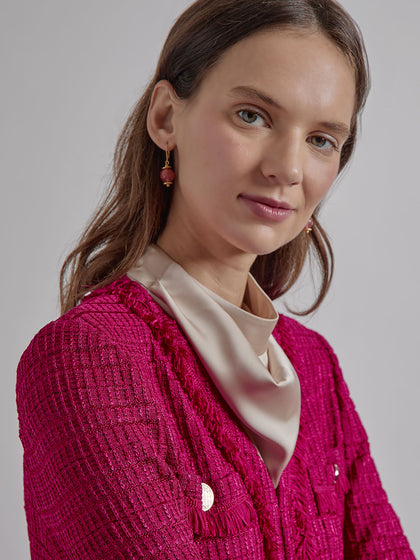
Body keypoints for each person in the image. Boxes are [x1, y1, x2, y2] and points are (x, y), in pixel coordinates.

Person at [16, 0, 415, 558]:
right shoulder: (87, 358)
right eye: (252, 115)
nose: (288, 168)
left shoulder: (316, 368)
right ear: (165, 117)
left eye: (321, 139)